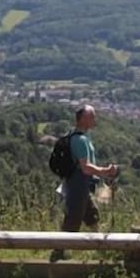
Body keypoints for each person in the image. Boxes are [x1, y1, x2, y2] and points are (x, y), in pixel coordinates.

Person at [51, 104, 119, 262]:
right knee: (72, 221)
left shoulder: (76, 137)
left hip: (80, 185)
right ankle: (57, 255)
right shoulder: (81, 140)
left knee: (92, 216)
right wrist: (106, 171)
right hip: (79, 186)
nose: (95, 119)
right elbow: (86, 167)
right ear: (83, 119)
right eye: (92, 116)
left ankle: (100, 249)